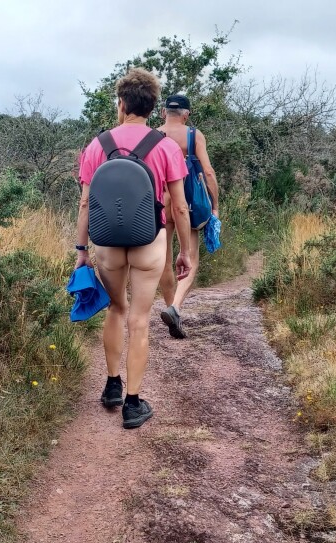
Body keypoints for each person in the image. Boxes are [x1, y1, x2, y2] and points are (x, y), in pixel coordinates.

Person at [75, 69, 193, 429]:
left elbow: (85, 204)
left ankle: (112, 385)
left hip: (107, 243)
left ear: (122, 104)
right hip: (150, 242)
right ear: (153, 108)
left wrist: (81, 251)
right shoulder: (166, 146)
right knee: (139, 320)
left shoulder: (97, 145)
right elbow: (179, 207)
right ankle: (133, 403)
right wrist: (185, 251)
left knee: (115, 308)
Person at [157, 94, 220, 338]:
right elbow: (208, 172)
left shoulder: (153, 136)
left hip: (161, 202)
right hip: (188, 202)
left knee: (165, 260)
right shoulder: (194, 135)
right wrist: (215, 206)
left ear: (163, 112)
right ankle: (175, 307)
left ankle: (170, 311)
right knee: (190, 257)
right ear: (187, 114)